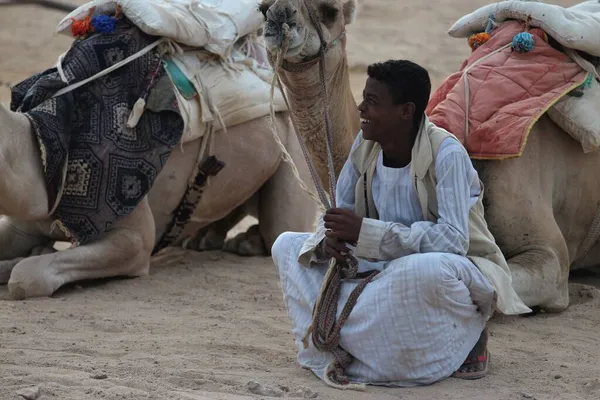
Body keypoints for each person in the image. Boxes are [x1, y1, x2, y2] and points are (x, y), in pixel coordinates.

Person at [271, 59, 531, 387]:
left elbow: (453, 241)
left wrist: (366, 233)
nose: (361, 107)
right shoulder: (364, 147)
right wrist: (329, 241)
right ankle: (343, 345)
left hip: (446, 270)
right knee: (288, 246)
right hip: (378, 269)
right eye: (363, 97)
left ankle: (465, 336)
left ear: (406, 111)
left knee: (422, 270)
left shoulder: (446, 154)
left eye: (373, 102)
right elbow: (342, 214)